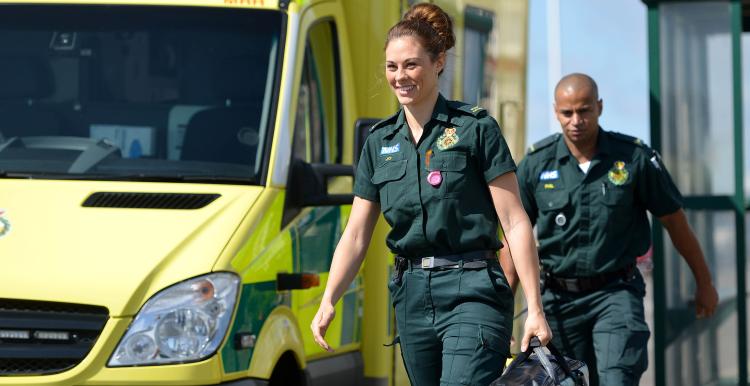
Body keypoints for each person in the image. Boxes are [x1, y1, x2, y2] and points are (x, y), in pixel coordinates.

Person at [310, 4, 551, 385]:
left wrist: (534, 308)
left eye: (411, 65)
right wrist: (329, 298)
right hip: (412, 297)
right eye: (392, 67)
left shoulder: (475, 129)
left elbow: (515, 222)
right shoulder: (378, 142)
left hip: (473, 289)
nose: (400, 76)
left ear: (438, 62)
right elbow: (356, 235)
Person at [515, 73, 719, 386]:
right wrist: (501, 311)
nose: (576, 120)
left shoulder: (634, 158)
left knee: (616, 378)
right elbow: (515, 234)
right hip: (557, 299)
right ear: (556, 111)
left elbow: (676, 223)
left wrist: (704, 282)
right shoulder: (536, 164)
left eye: (584, 110)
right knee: (560, 381)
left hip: (615, 294)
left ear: (599, 107)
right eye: (567, 113)